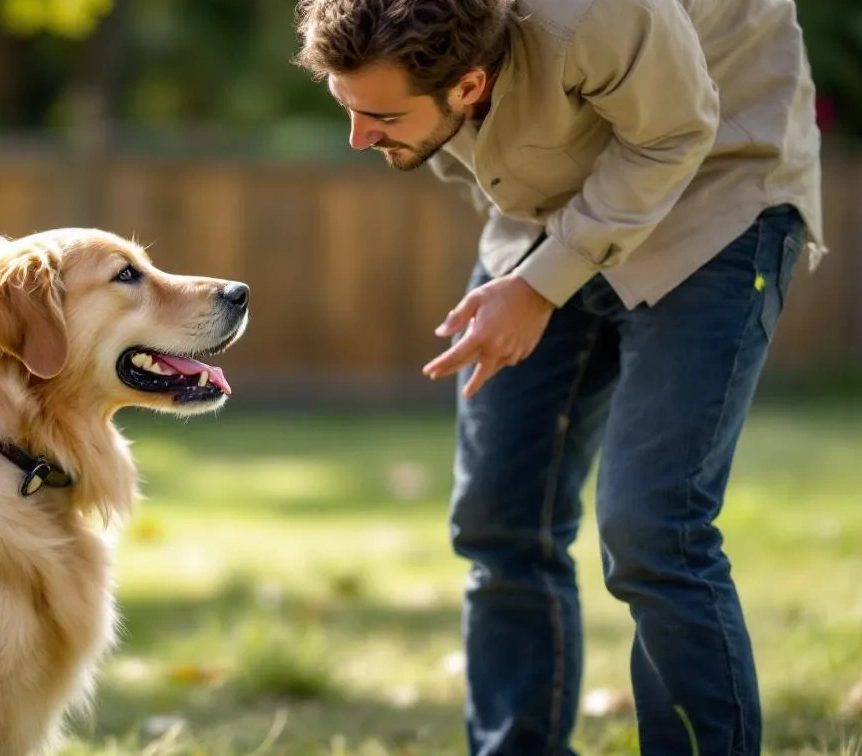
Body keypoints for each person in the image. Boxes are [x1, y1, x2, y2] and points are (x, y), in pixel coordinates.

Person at [292, 0, 824, 754]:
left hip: (717, 196)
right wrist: (541, 266)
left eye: (378, 115)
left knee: (654, 530)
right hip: (552, 214)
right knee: (499, 518)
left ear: (469, 86)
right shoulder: (433, 52)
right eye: (348, 109)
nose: (357, 137)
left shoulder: (595, 15)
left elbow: (673, 131)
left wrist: (541, 286)